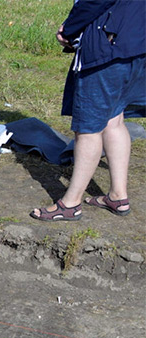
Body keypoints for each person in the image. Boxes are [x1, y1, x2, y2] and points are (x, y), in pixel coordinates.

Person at [30, 0, 145, 221]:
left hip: (110, 45)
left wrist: (70, 29)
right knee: (114, 118)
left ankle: (70, 204)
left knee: (88, 128)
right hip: (138, 42)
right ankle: (118, 196)